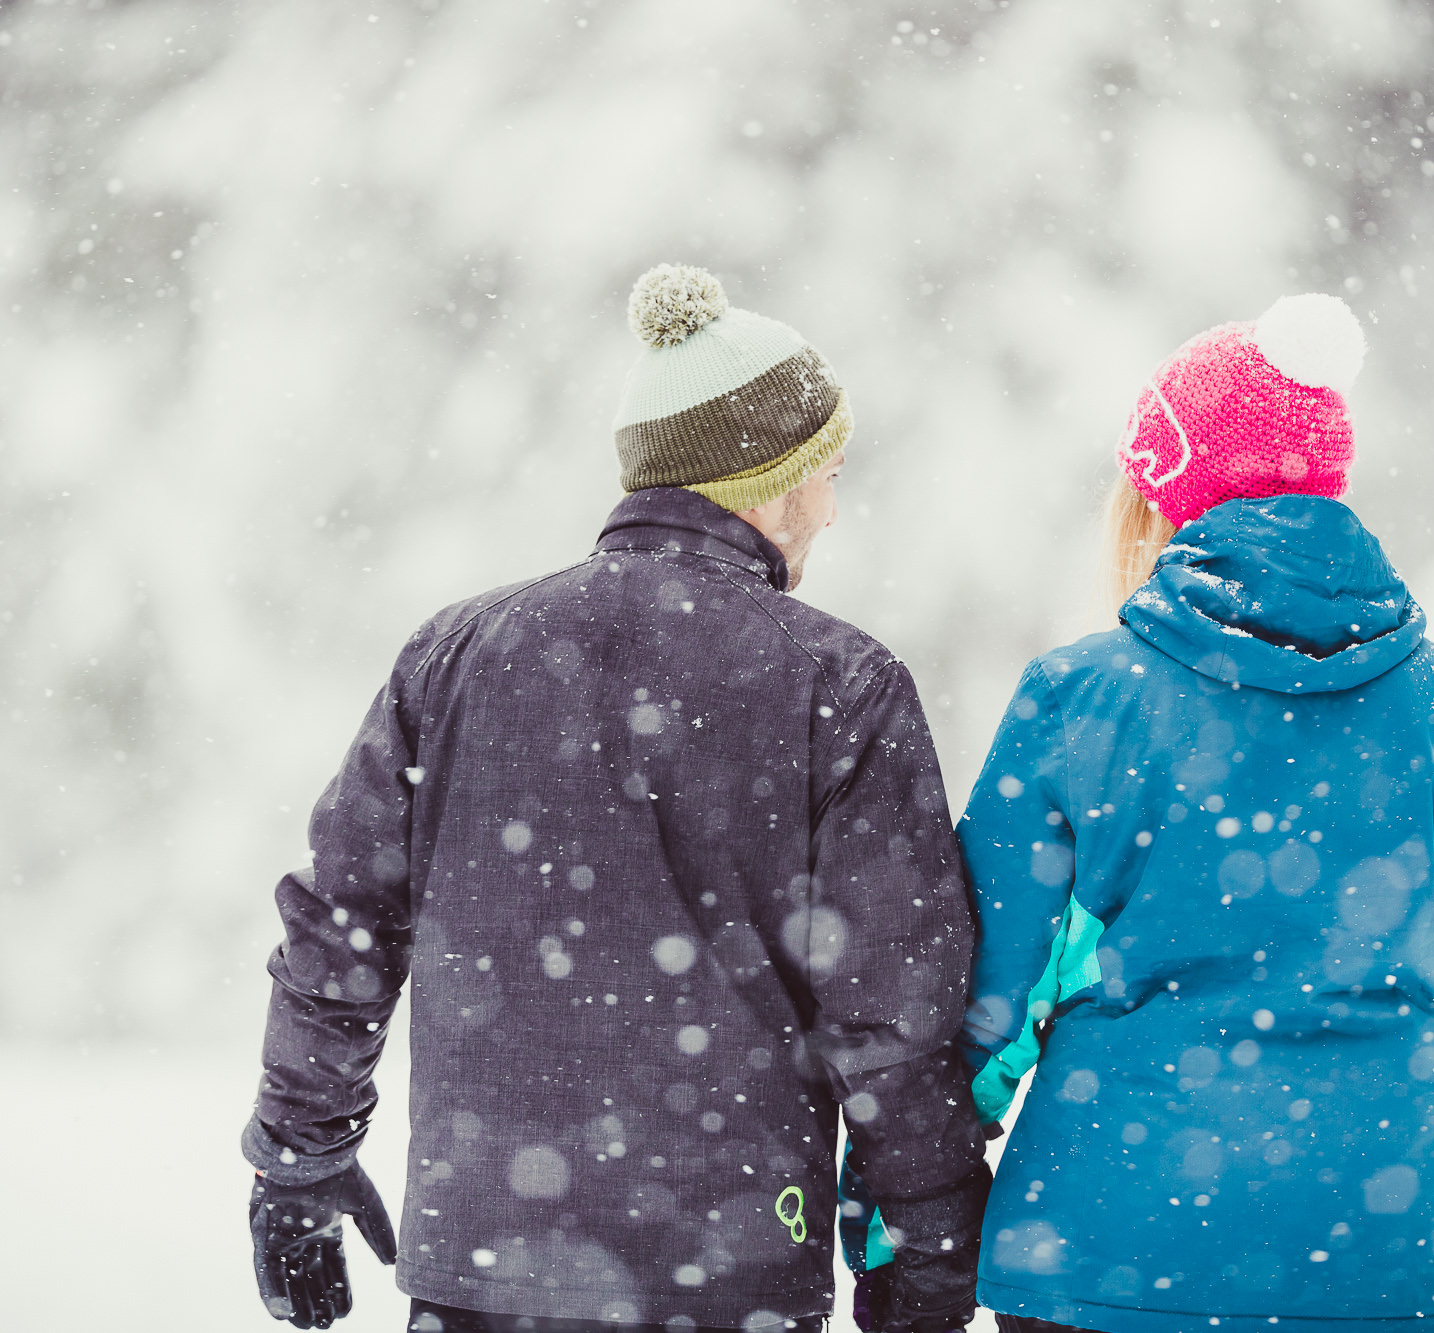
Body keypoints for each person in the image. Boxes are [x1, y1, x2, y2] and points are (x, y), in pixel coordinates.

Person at [844, 295, 1434, 1333]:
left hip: (1108, 1264)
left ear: (1163, 500)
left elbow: (977, 1007)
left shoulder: (1083, 701)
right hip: (1394, 1268)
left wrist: (904, 1228)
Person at [242, 264, 990, 1333]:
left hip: (482, 1268)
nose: (830, 508)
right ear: (766, 480)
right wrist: (926, 1233)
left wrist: (298, 1155)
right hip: (725, 1270)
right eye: (825, 473)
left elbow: (343, 927)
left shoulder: (453, 658)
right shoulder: (839, 684)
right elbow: (893, 1011)